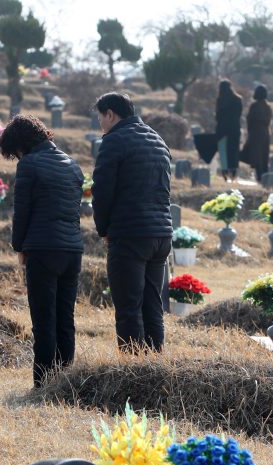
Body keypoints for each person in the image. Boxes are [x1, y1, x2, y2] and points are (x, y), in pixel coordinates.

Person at [0, 114, 84, 388]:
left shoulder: (29, 165)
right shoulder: (73, 165)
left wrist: (19, 246)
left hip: (43, 249)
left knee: (44, 319)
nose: (18, 157)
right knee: (64, 318)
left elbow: (22, 211)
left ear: (20, 145)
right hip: (72, 249)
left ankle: (43, 383)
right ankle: (65, 381)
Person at [91, 92, 173, 353]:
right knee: (152, 305)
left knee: (128, 308)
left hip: (130, 233)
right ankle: (155, 366)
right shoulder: (157, 140)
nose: (100, 124)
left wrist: (103, 228)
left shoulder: (114, 140)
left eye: (100, 118)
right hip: (161, 234)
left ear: (110, 114)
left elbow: (102, 191)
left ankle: (134, 373)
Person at [240, 84, 273, 181]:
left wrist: (249, 132)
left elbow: (249, 120)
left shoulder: (254, 106)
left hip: (255, 133)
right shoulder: (268, 106)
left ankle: (259, 177)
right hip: (265, 133)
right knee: (264, 157)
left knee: (256, 156)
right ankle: (265, 177)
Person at [215, 80, 243, 181]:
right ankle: (234, 173)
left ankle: (225, 174)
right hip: (234, 129)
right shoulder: (238, 99)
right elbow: (239, 115)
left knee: (223, 152)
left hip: (222, 129)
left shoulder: (220, 100)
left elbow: (217, 117)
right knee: (234, 151)